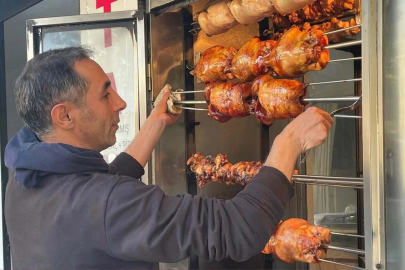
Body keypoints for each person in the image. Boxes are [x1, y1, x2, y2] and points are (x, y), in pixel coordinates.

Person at [4, 46, 333, 269]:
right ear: (64, 116)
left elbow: (102, 192)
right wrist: (290, 140)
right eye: (105, 94)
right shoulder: (105, 206)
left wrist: (155, 124)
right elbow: (239, 228)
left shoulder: (24, 177)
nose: (120, 103)